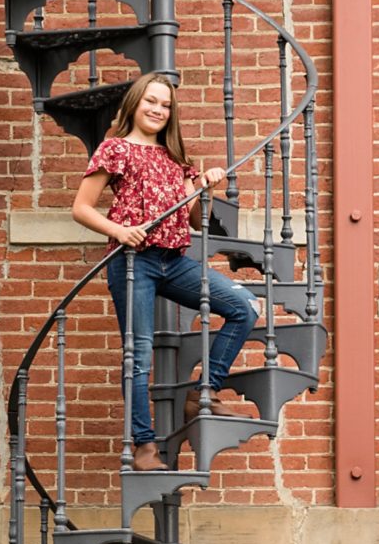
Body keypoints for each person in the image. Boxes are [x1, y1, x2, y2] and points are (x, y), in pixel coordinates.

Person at [72, 73, 260, 473]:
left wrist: (205, 186)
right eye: (150, 102)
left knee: (245, 305)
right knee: (138, 356)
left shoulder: (177, 159)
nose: (158, 110)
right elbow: (82, 208)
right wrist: (120, 231)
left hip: (172, 261)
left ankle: (202, 393)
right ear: (135, 104)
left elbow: (196, 220)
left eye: (165, 105)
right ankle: (143, 446)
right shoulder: (115, 149)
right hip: (132, 262)